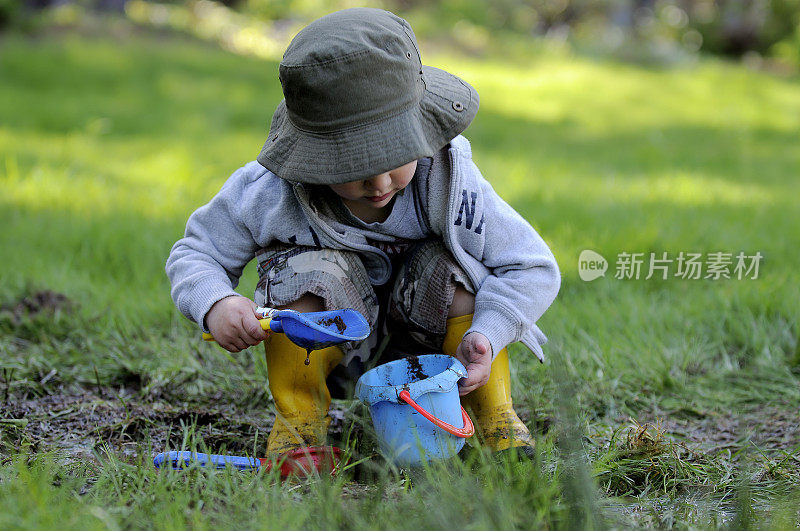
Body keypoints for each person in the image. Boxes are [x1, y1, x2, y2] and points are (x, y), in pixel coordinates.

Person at [166, 8, 560, 458]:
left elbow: (532, 265)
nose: (378, 184)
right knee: (304, 271)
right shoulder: (271, 192)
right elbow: (197, 252)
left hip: (437, 354)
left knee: (456, 269)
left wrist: (490, 332)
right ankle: (300, 422)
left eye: (395, 160)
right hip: (330, 350)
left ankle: (491, 413)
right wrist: (216, 303)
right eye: (353, 169)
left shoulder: (449, 183)